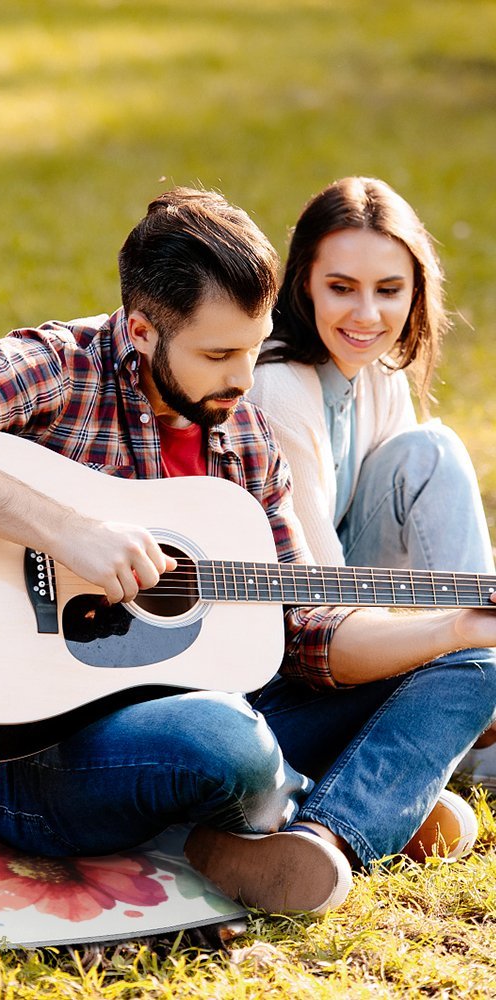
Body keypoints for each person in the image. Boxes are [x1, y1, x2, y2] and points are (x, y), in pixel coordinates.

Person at [0, 187, 496, 916]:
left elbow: (305, 629)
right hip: (34, 754)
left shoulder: (244, 436)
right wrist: (65, 530)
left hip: (223, 707)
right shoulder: (60, 367)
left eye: (253, 346)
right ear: (142, 330)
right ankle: (353, 796)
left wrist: (452, 628)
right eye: (218, 354)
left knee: (476, 665)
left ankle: (326, 836)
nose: (244, 380)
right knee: (225, 741)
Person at [249, 176, 496, 797]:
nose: (368, 315)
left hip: (359, 602)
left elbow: (419, 522)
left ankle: (476, 690)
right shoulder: (279, 387)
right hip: (294, 640)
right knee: (432, 450)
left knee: (428, 451)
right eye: (341, 288)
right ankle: (471, 704)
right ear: (303, 281)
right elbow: (319, 601)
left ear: (416, 291)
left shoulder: (377, 370)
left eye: (389, 290)